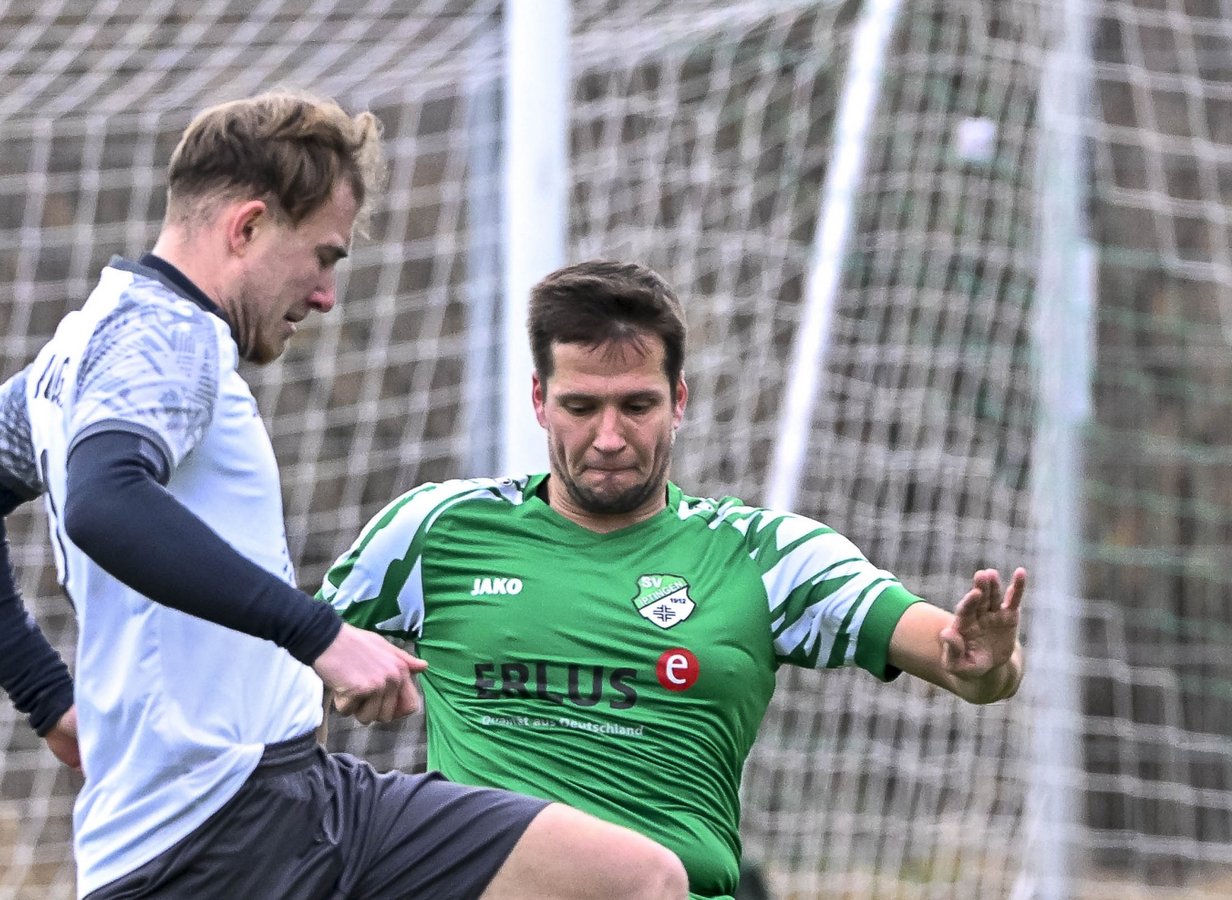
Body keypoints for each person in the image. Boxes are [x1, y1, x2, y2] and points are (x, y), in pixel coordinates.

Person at [0, 93, 687, 900]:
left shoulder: (85, 348)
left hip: (298, 797)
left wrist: (48, 700)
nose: (327, 294)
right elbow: (104, 500)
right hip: (208, 842)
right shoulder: (170, 336)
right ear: (248, 227)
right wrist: (320, 635)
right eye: (323, 256)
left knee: (636, 879)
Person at [319, 259, 1027, 900]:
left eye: (637, 406)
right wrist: (338, 669)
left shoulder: (765, 555)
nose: (608, 438)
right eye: (580, 407)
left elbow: (961, 662)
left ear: (678, 400)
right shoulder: (435, 530)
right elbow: (288, 662)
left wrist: (984, 660)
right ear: (539, 399)